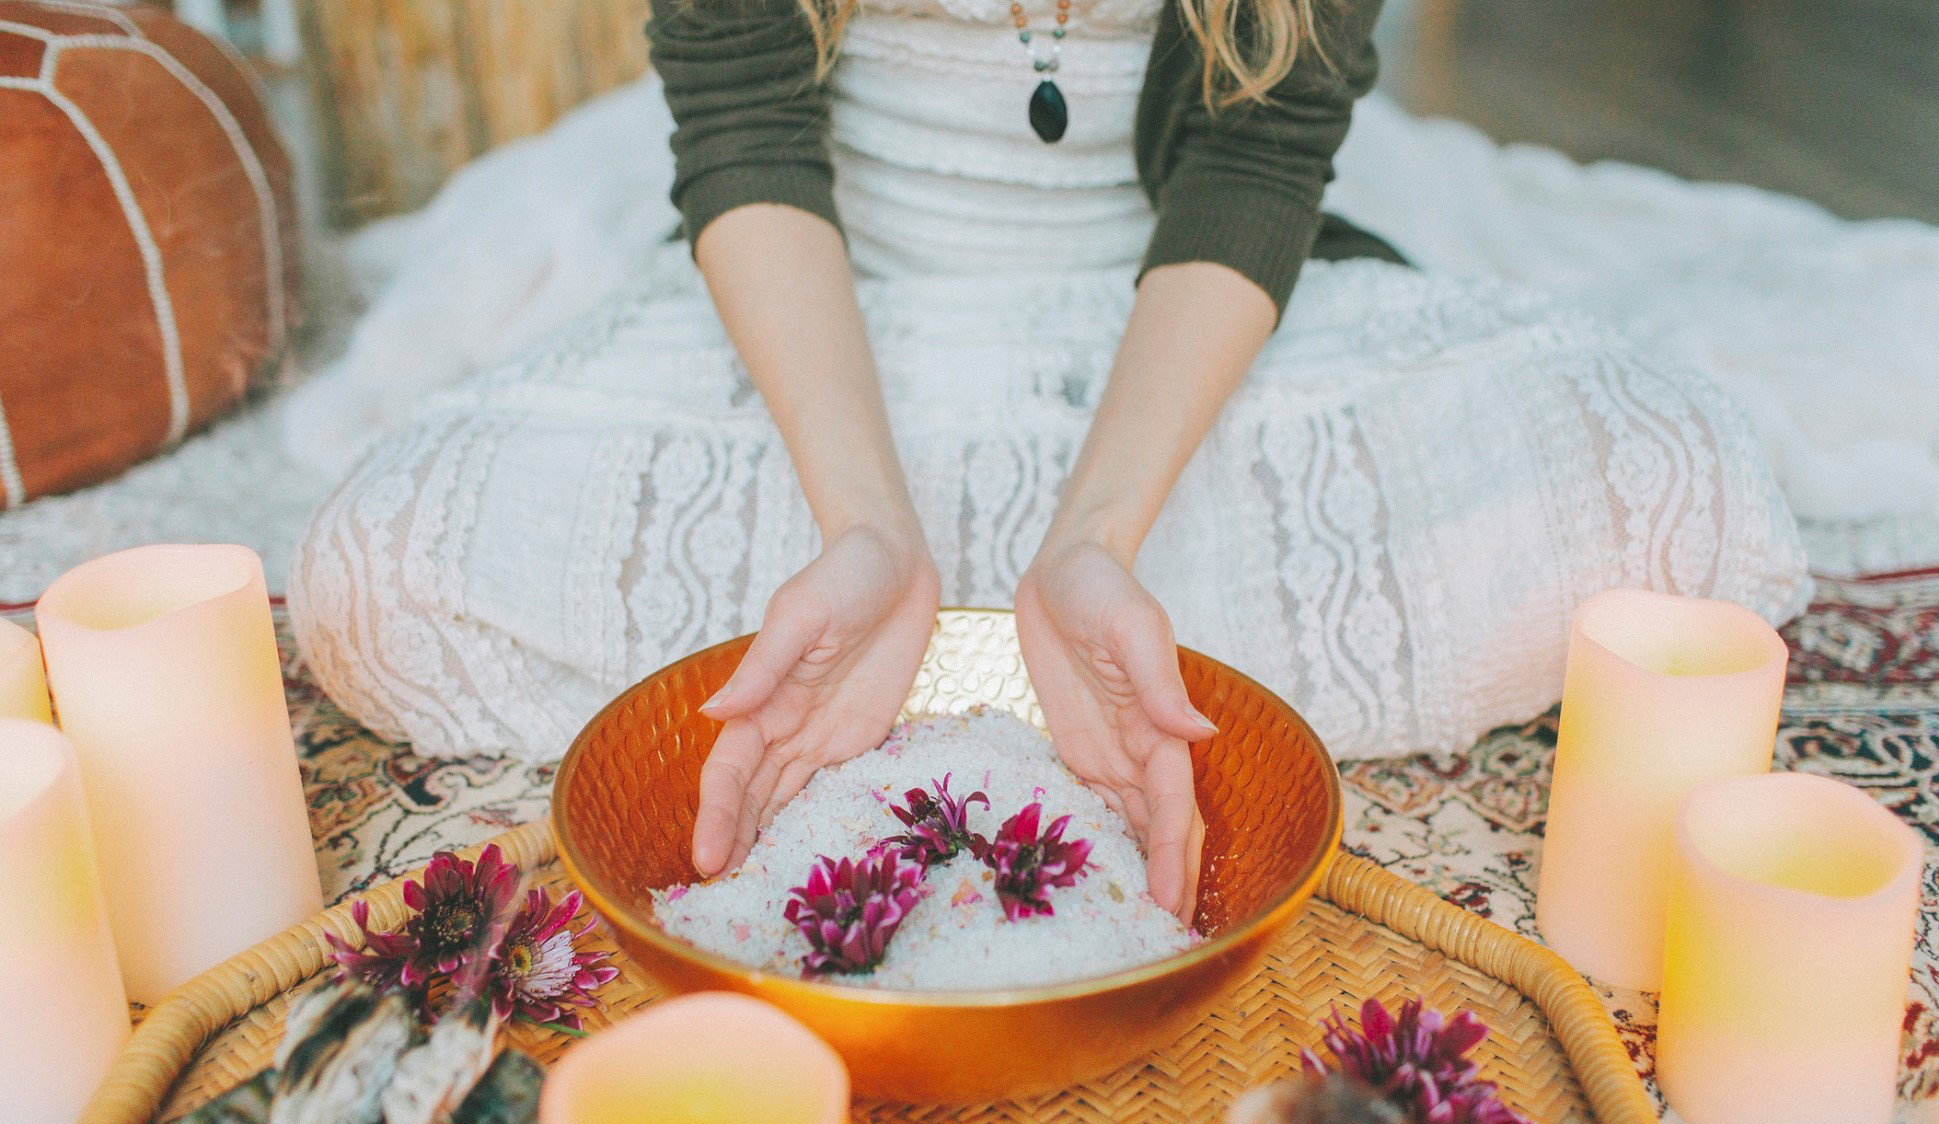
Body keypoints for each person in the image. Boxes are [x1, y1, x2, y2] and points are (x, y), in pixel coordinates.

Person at [290, 0, 1806, 925]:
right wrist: (867, 524)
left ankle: (1054, 625)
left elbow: (1259, 155)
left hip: (1180, 319)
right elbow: (741, 120)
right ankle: (925, 619)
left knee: (1677, 495)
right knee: (374, 577)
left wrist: (1098, 539)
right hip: (828, 317)